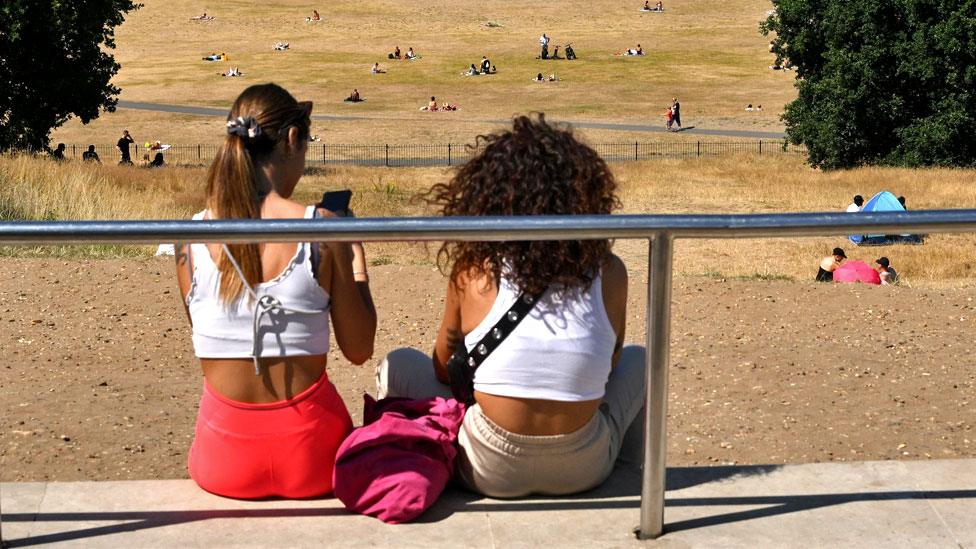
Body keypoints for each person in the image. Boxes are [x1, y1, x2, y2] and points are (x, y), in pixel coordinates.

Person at [377, 114, 646, 498]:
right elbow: (612, 365)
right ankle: (631, 477)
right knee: (641, 361)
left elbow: (440, 367)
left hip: (488, 466)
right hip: (585, 465)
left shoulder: (474, 270)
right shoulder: (609, 271)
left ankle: (410, 469)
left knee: (400, 364)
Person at [175, 83, 377, 499]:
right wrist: (354, 260)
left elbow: (206, 332)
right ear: (291, 140)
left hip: (222, 461)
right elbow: (359, 350)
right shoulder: (320, 228)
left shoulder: (187, 240)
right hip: (313, 458)